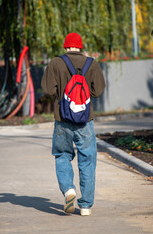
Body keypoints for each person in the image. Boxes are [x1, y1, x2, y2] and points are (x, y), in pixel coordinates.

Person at [41, 33, 105, 216]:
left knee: (62, 155)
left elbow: (47, 89)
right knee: (87, 160)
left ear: (66, 46)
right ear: (80, 46)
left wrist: (61, 92)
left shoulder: (55, 63)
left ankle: (68, 189)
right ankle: (85, 205)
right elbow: (98, 90)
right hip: (85, 120)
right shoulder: (91, 63)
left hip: (62, 119)